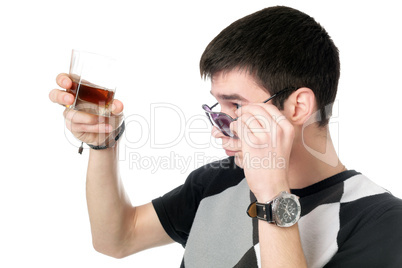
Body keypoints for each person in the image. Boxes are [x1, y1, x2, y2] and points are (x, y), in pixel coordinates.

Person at [49, 6, 402, 268]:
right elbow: (117, 239)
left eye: (235, 106)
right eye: (217, 108)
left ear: (298, 107)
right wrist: (103, 143)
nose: (219, 126)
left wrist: (272, 195)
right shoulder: (220, 181)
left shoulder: (382, 221)